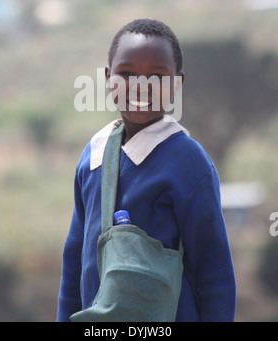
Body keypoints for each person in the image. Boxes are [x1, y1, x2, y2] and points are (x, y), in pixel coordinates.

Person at [56, 19, 236, 322]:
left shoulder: (189, 164)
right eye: (126, 74)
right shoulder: (94, 156)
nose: (141, 86)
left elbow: (214, 276)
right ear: (108, 78)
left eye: (157, 75)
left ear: (176, 84)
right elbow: (75, 263)